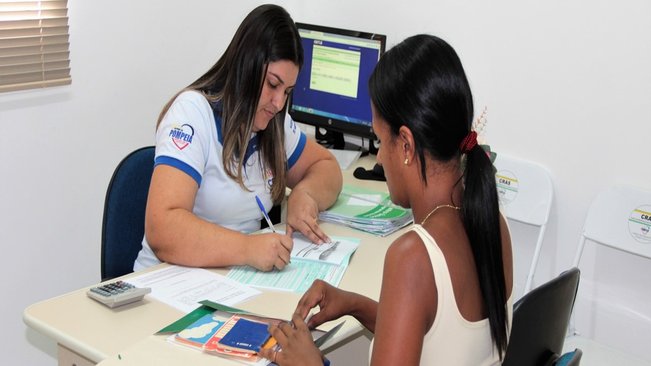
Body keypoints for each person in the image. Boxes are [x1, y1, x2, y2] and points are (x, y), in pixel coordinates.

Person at [260, 34, 513, 365]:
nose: (379, 158)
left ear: (406, 145)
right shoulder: (492, 221)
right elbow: (442, 337)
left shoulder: (413, 257)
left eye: (380, 140)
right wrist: (356, 304)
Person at [133, 4, 342, 272]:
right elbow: (163, 229)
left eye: (287, 91)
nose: (278, 103)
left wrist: (305, 194)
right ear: (247, 67)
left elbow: (327, 167)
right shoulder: (192, 114)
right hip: (167, 284)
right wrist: (247, 248)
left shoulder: (273, 123)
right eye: (272, 84)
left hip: (232, 283)